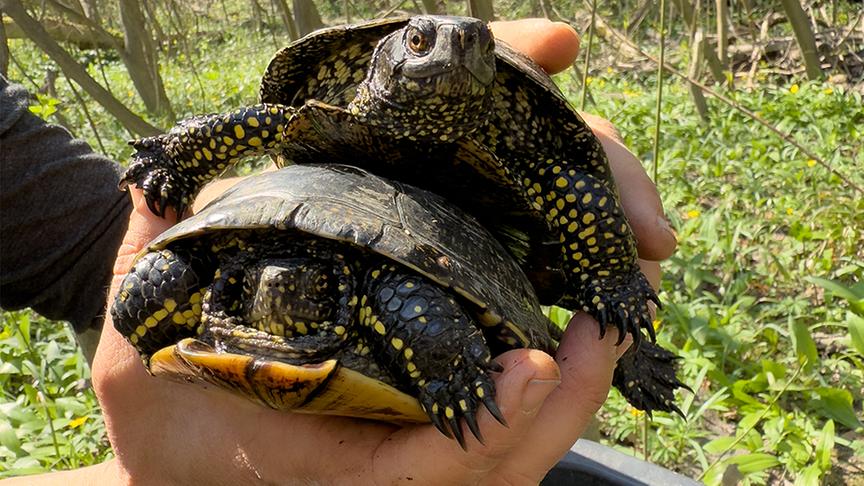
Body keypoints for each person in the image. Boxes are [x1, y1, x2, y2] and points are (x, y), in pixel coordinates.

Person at [1, 18, 676, 485]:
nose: (451, 52)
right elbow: (258, 123)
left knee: (599, 272)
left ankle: (628, 340)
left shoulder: (521, 134)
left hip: (485, 236)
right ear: (384, 57)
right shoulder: (328, 95)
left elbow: (91, 239)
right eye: (419, 42)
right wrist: (179, 159)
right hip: (345, 218)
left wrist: (610, 277)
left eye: (469, 45)